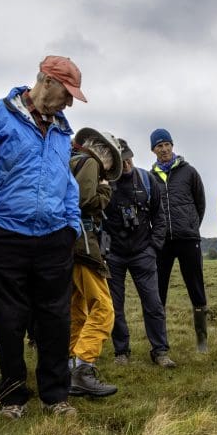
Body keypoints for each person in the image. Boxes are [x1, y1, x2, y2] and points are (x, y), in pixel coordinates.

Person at [0, 55, 85, 419]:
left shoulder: (63, 129)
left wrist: (71, 225)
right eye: (68, 92)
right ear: (46, 81)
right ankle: (13, 397)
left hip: (54, 238)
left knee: (56, 319)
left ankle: (55, 396)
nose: (70, 101)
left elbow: (67, 181)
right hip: (7, 237)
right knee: (8, 320)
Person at [103, 139, 176, 368]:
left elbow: (160, 217)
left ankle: (160, 351)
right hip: (113, 255)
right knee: (116, 306)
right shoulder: (104, 184)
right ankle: (121, 352)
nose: (125, 164)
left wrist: (154, 247)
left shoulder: (147, 180)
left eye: (128, 158)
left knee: (154, 304)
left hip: (143, 252)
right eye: (120, 159)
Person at [67, 128, 122, 397]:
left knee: (76, 309)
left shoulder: (70, 159)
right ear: (104, 152)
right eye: (112, 160)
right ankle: (83, 368)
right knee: (103, 308)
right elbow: (85, 200)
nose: (110, 168)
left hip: (67, 245)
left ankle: (69, 366)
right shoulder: (89, 162)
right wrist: (105, 193)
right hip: (84, 245)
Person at [148, 128, 209, 352]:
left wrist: (192, 226)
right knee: (158, 290)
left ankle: (202, 340)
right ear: (153, 150)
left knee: (196, 287)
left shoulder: (189, 172)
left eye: (167, 144)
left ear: (172, 146)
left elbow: (200, 203)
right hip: (162, 242)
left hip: (188, 239)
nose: (164, 149)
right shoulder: (150, 177)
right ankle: (161, 342)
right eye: (159, 146)